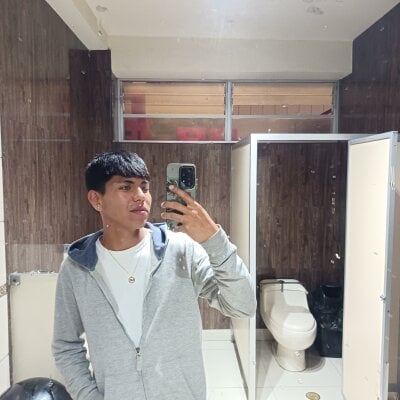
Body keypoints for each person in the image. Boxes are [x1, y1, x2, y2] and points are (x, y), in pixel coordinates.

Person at [52, 150, 256, 400]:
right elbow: (65, 345)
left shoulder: (181, 250)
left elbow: (243, 306)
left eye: (145, 187)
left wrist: (214, 241)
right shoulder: (77, 268)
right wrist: (89, 396)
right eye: (126, 187)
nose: (140, 196)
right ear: (96, 199)